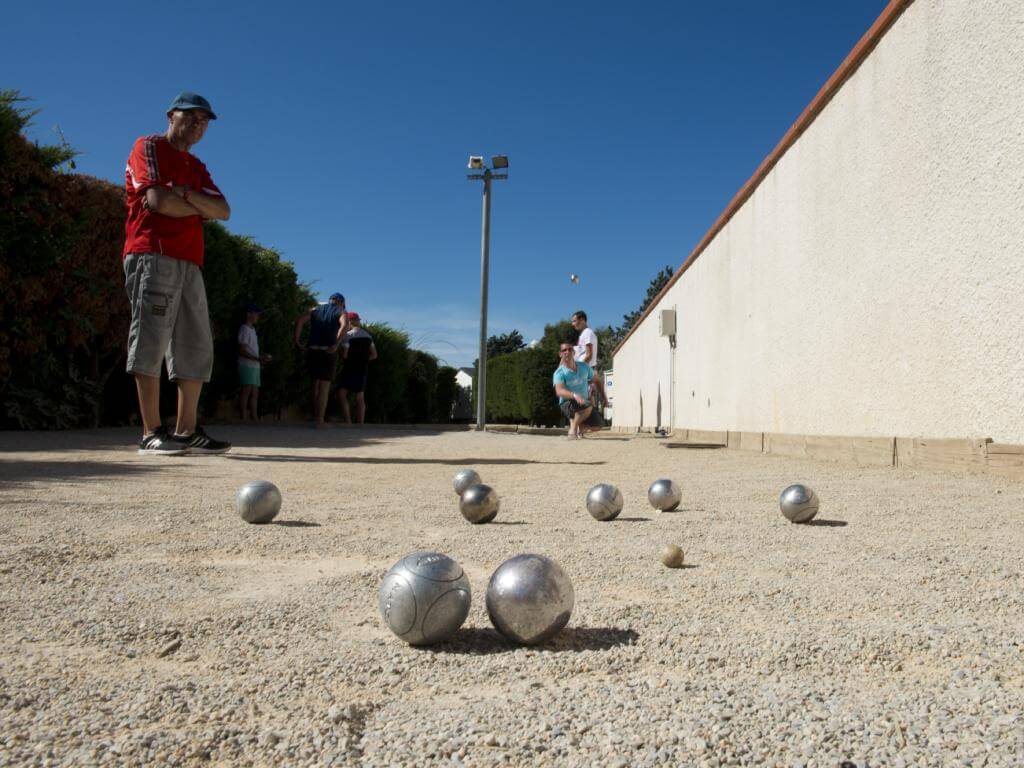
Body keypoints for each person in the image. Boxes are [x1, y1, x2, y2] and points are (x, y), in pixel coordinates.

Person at [122, 91, 232, 455]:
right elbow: (157, 202)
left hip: (190, 261)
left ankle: (187, 431)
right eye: (191, 117)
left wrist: (186, 196)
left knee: (196, 343)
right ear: (171, 115)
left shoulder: (195, 167)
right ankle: (151, 431)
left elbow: (223, 210)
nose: (198, 125)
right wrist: (194, 205)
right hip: (153, 253)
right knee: (151, 337)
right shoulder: (149, 147)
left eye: (204, 121)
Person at [294, 293, 348, 428]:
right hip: (327, 350)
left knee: (314, 383)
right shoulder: (341, 311)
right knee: (324, 387)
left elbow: (300, 321)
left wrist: (298, 341)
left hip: (312, 349)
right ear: (341, 302)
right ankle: (320, 421)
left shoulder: (315, 310)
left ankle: (313, 414)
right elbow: (345, 326)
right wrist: (336, 343)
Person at [336, 312, 378, 424]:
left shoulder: (347, 336)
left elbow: (344, 355)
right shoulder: (368, 336)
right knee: (360, 397)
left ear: (350, 321)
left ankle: (348, 421)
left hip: (349, 368)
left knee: (342, 394)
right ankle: (360, 423)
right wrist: (363, 360)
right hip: (362, 369)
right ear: (358, 321)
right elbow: (374, 355)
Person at [553, 339, 595, 439]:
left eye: (570, 349)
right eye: (564, 350)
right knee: (587, 406)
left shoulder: (584, 366)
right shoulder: (559, 372)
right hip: (567, 402)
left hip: (583, 400)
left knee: (597, 426)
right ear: (560, 354)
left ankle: (577, 426)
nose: (567, 352)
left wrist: (592, 388)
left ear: (574, 352)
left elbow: (593, 379)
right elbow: (559, 391)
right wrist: (574, 395)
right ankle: (573, 428)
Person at [237, 304, 271, 420]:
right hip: (246, 364)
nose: (258, 316)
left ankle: (254, 417)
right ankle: (243, 417)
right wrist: (258, 359)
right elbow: (242, 350)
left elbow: (251, 349)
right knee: (246, 390)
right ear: (249, 314)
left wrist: (261, 357)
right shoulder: (244, 329)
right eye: (256, 314)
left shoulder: (252, 330)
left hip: (254, 365)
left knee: (255, 391)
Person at [571, 310, 608, 413]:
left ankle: (589, 422)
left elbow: (588, 354)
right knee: (586, 398)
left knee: (584, 399)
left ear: (582, 320)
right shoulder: (583, 335)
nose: (573, 324)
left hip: (585, 370)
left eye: (574, 321)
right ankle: (589, 422)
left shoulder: (588, 333)